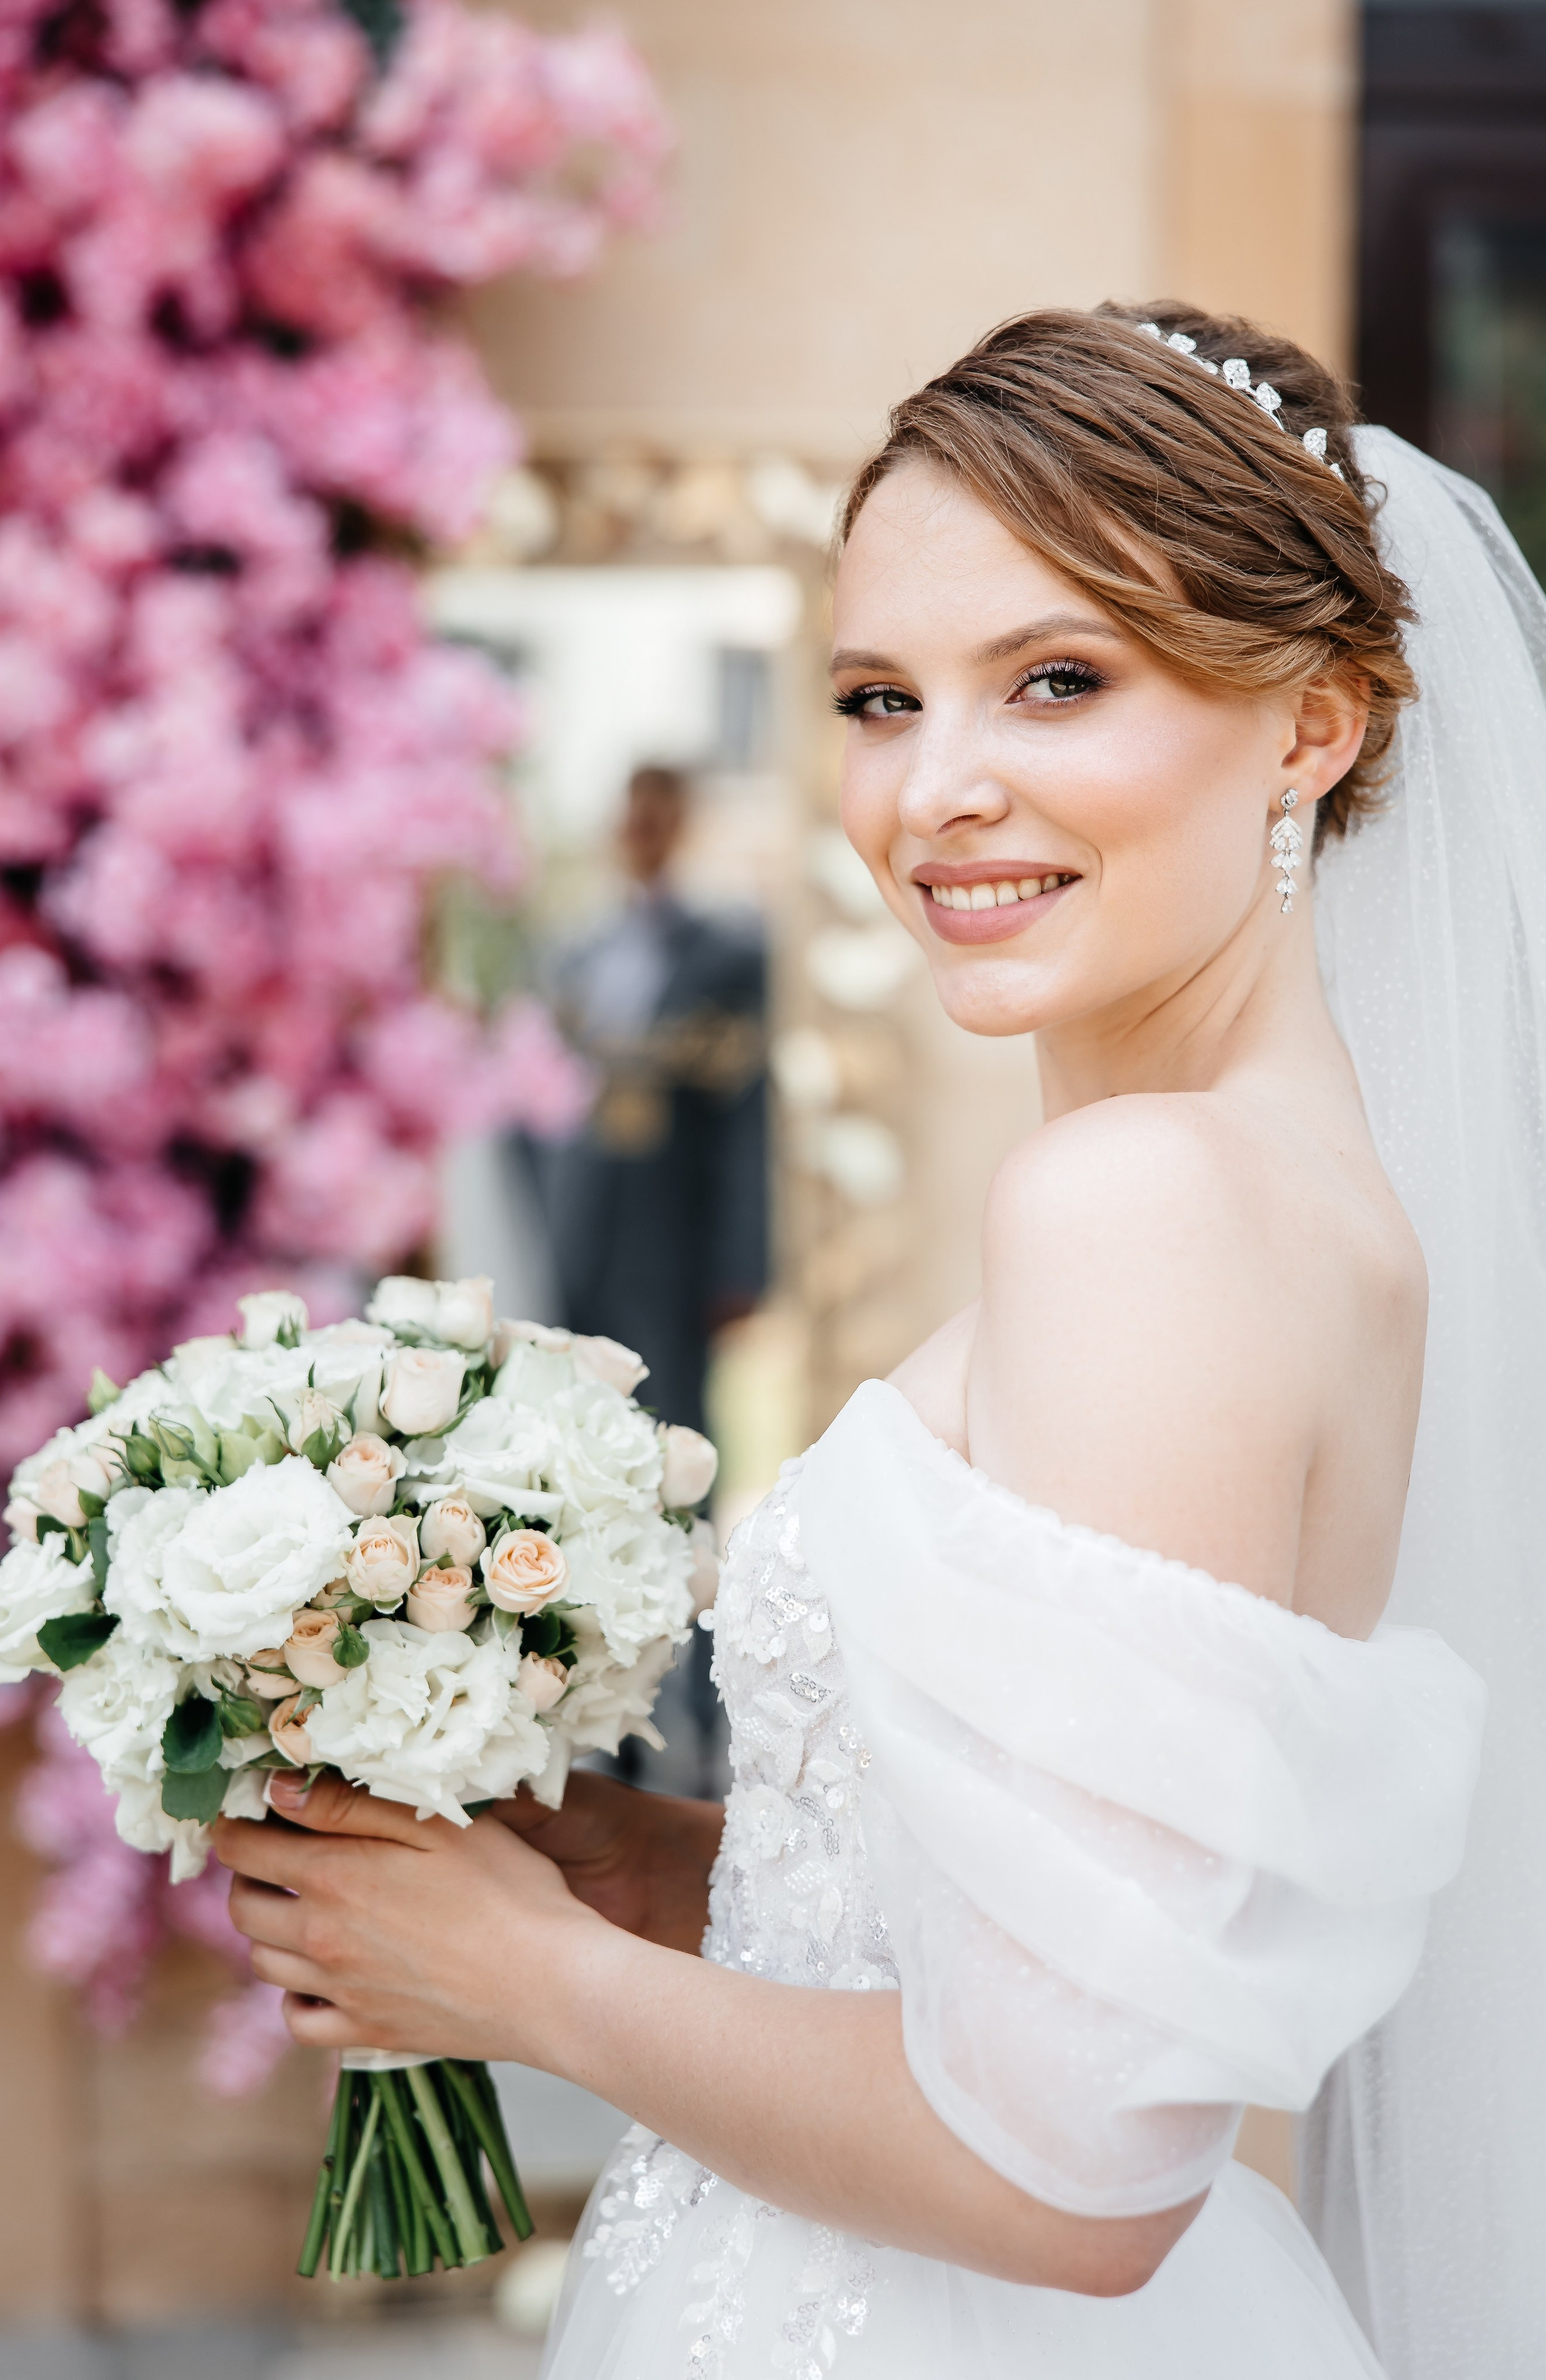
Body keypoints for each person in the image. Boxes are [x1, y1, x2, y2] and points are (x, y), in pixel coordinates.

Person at [214, 303, 1546, 2379]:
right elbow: (1081, 1933)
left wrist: (518, 1981)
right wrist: (662, 1870)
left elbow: (1076, 2177)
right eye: (875, 696)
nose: (938, 791)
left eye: (1059, 680)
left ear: (1319, 724)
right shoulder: (1277, 1191)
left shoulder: (1146, 1212)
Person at [537, 762, 769, 1440]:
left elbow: (746, 1119)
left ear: (683, 824)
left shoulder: (731, 954)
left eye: (658, 813)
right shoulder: (576, 951)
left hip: (674, 1233)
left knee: (673, 1418)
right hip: (580, 1217)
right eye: (633, 812)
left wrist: (742, 1263)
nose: (641, 830)